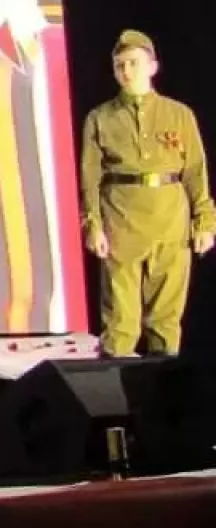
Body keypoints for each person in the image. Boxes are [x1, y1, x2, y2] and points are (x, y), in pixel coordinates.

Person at [79, 30, 214, 359]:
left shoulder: (179, 114)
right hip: (121, 223)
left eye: (134, 63)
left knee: (165, 321)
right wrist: (92, 224)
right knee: (121, 323)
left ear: (153, 67)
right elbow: (89, 178)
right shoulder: (100, 118)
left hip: (170, 223)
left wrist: (205, 222)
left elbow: (195, 172)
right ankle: (116, 389)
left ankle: (163, 389)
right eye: (120, 65)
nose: (126, 71)